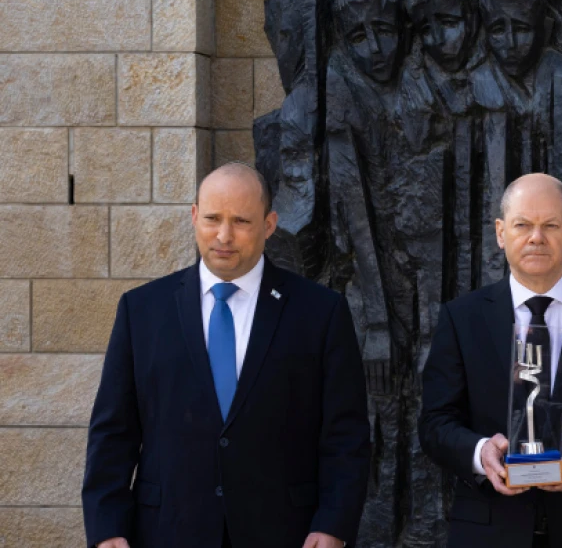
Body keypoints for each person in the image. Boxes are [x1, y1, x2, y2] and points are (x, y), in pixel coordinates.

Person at [82, 163, 371, 548]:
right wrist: (107, 528)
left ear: (269, 225)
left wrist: (333, 525)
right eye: (213, 218)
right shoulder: (142, 310)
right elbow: (113, 432)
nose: (224, 235)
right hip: (167, 531)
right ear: (194, 216)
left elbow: (346, 434)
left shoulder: (320, 312)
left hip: (285, 532)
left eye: (241, 221)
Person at [419, 173, 562, 547]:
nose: (536, 237)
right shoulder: (462, 318)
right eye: (522, 225)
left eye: (551, 225)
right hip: (487, 532)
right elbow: (435, 422)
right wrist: (481, 452)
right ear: (501, 233)